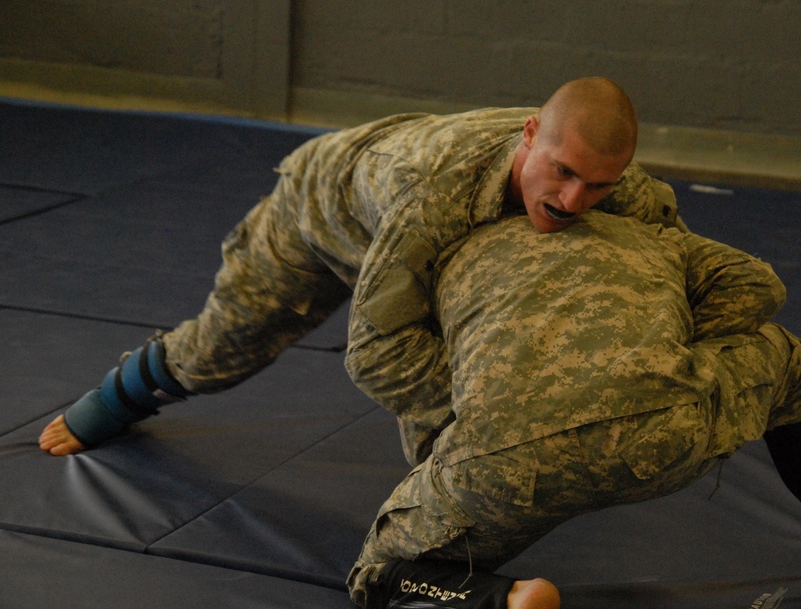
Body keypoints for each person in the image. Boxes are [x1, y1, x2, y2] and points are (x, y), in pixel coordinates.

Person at [347, 211, 801, 609]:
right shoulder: (650, 234)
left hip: (507, 458)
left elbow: (385, 364)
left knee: (377, 574)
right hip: (666, 430)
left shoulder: (449, 246)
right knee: (793, 367)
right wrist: (656, 360)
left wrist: (450, 438)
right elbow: (756, 287)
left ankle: (498, 607)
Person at [38, 77, 684, 462]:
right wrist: (486, 417)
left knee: (474, 357)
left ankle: (450, 528)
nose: (574, 202)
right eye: (562, 173)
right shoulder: (431, 194)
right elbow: (376, 356)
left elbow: (672, 244)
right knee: (219, 354)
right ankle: (116, 394)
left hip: (420, 219)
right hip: (319, 215)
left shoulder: (616, 185)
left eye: (597, 186)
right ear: (530, 133)